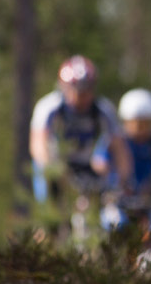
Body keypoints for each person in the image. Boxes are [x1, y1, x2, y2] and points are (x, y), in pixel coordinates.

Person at [30, 55, 132, 209]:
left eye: (87, 91)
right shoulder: (48, 107)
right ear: (64, 88)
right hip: (55, 165)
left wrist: (122, 181)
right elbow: (38, 145)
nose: (82, 97)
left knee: (106, 208)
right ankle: (47, 229)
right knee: (49, 206)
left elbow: (120, 148)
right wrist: (53, 170)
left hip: (85, 165)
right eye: (77, 91)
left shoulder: (103, 109)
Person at [95, 88, 151, 264]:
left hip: (147, 203)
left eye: (147, 123)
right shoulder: (115, 139)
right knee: (115, 232)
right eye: (137, 123)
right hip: (117, 202)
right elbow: (99, 163)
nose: (142, 129)